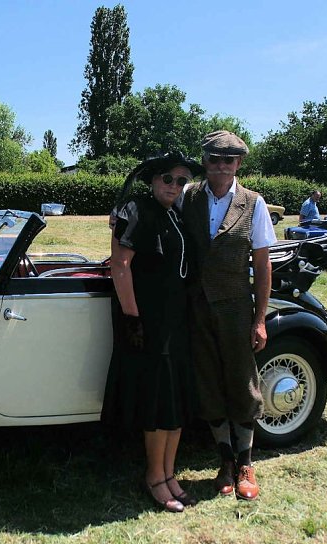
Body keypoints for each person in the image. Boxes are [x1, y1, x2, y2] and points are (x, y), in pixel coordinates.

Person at [101, 152, 203, 513]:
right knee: (158, 401)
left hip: (177, 319)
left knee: (175, 398)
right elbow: (120, 264)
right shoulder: (135, 209)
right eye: (168, 179)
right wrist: (133, 319)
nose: (175, 186)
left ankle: (170, 473)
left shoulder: (176, 213)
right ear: (153, 180)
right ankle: (154, 477)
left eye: (181, 181)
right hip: (149, 321)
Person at [181, 131, 277, 501]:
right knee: (208, 380)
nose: (221, 166)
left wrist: (260, 319)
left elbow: (262, 265)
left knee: (241, 382)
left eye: (229, 160)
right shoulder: (187, 197)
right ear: (204, 161)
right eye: (214, 159)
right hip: (196, 307)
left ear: (238, 164)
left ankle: (246, 463)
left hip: (237, 307)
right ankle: (224, 460)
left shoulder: (253, 204)